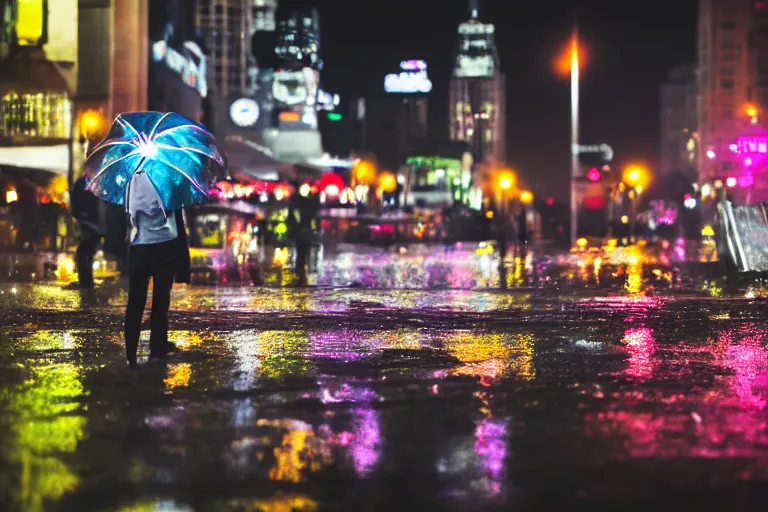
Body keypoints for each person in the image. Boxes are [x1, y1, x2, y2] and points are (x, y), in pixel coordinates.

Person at [123, 170, 190, 369]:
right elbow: (171, 210)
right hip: (165, 244)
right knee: (161, 301)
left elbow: (128, 213)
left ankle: (131, 355)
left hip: (140, 245)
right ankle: (157, 349)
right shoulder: (167, 177)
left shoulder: (131, 178)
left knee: (135, 302)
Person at [69, 174, 104, 289]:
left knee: (84, 252)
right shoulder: (98, 180)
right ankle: (87, 282)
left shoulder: (86, 181)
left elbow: (76, 202)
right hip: (93, 222)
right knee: (86, 251)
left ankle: (86, 283)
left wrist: (80, 215)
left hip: (90, 222)